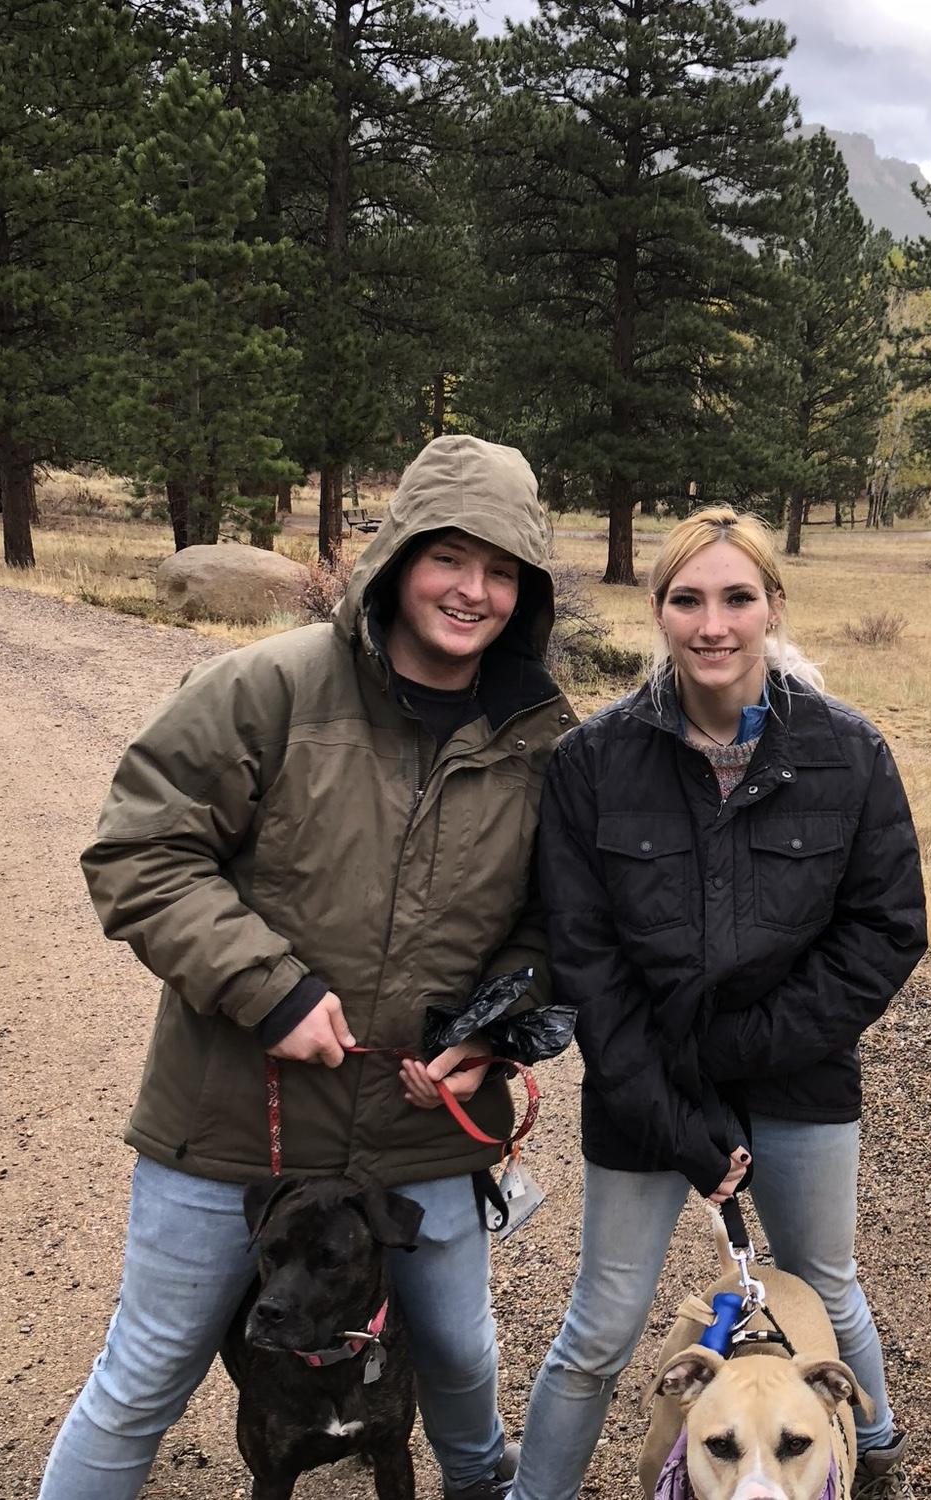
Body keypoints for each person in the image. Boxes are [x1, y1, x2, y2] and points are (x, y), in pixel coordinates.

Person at [38, 435, 576, 1500]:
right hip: (232, 1121)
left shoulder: (540, 745)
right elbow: (140, 851)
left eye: (503, 569)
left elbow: (552, 927)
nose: (474, 591)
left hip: (423, 1133)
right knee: (146, 1375)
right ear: (397, 558)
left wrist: (487, 1035)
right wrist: (268, 987)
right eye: (449, 558)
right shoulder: (268, 688)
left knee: (465, 1365)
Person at [512, 507, 927, 1500]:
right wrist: (676, 1115)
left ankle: (878, 1464)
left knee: (828, 1289)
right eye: (687, 599)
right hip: (642, 1089)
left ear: (774, 607)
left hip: (799, 1077)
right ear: (657, 612)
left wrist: (739, 1050)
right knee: (603, 1324)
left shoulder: (850, 755)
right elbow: (588, 965)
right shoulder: (592, 764)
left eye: (738, 597)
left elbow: (885, 931)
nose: (713, 625)